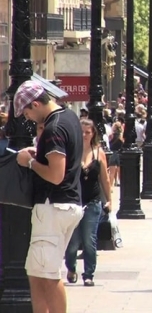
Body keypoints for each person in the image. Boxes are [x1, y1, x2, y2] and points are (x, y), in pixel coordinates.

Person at [14, 81, 84, 313]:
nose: (29, 119)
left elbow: (56, 175)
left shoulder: (54, 129)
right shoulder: (70, 117)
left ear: (35, 104)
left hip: (53, 205)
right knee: (37, 272)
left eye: (27, 113)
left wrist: (30, 162)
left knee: (49, 274)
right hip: (65, 204)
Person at [64, 119, 112, 287]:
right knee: (72, 243)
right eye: (81, 131)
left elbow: (105, 179)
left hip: (93, 202)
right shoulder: (70, 152)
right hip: (73, 202)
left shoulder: (99, 153)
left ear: (93, 134)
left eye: (88, 132)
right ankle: (71, 268)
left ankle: (88, 274)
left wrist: (110, 200)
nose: (84, 135)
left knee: (89, 240)